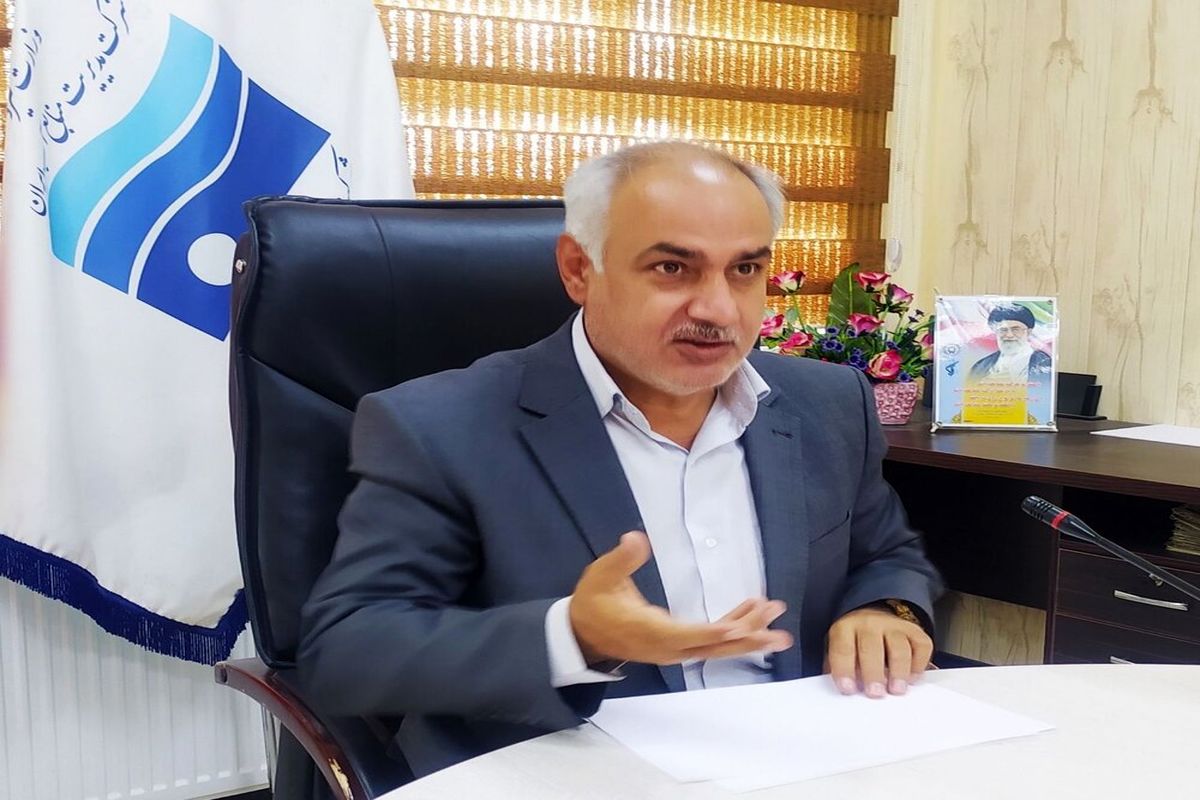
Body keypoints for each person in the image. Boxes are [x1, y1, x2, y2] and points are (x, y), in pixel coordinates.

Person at [296, 141, 943, 780]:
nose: (718, 309)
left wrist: (883, 608)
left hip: (795, 762)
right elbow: (351, 650)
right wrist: (574, 635)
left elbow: (883, 553)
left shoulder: (827, 402)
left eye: (745, 269)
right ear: (579, 268)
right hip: (562, 772)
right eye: (672, 268)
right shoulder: (439, 428)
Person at [968, 303, 1053, 383]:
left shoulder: (1045, 363)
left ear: (1028, 332)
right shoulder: (980, 367)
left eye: (1016, 330)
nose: (1009, 335)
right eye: (1003, 330)